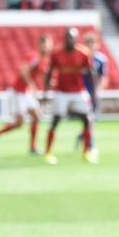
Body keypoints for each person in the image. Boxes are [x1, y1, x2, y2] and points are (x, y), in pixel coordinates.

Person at [0, 34, 52, 155]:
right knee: (19, 123)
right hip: (18, 92)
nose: (46, 47)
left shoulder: (45, 60)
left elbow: (45, 76)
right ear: (40, 45)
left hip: (26, 92)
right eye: (44, 44)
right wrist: (32, 84)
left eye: (48, 44)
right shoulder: (34, 57)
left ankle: (32, 147)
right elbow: (23, 70)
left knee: (36, 116)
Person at [42, 28, 93, 165]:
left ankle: (87, 152)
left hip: (78, 91)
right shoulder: (56, 53)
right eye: (68, 38)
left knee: (87, 120)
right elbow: (49, 72)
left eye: (72, 38)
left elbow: (90, 73)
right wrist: (46, 92)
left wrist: (93, 93)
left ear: (76, 39)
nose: (70, 40)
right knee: (56, 120)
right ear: (65, 39)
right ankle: (48, 152)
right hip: (61, 92)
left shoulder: (83, 53)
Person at [74, 31, 108, 162]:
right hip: (82, 93)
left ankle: (82, 135)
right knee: (90, 120)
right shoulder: (80, 57)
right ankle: (90, 146)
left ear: (97, 45)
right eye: (88, 43)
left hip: (93, 93)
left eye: (92, 43)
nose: (90, 46)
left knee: (91, 120)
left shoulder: (101, 59)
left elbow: (103, 77)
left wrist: (98, 90)